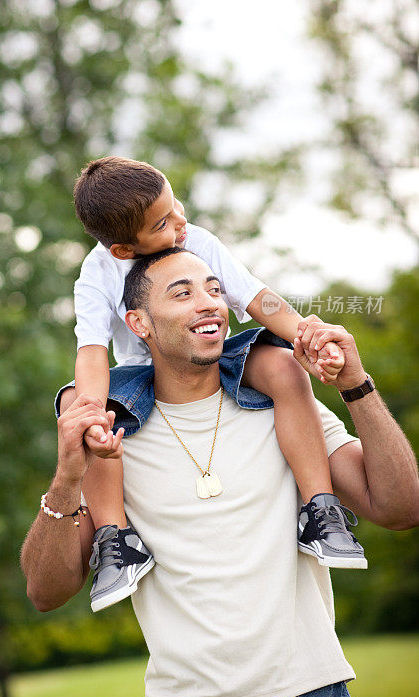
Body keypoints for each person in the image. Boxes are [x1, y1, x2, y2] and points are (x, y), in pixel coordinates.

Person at [21, 248, 419, 697]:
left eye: (214, 289)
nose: (209, 302)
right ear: (139, 325)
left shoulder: (288, 409)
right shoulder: (112, 435)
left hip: (314, 691)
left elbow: (402, 508)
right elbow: (46, 593)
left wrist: (356, 384)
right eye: (183, 293)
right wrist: (66, 481)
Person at [68, 156, 364, 612]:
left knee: (285, 367)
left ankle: (319, 508)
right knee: (82, 404)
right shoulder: (98, 273)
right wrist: (90, 413)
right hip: (144, 377)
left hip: (216, 352)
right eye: (164, 222)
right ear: (125, 250)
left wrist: (307, 333)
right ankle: (117, 540)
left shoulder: (197, 241)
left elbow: (257, 298)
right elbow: (91, 350)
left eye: (176, 205)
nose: (181, 222)